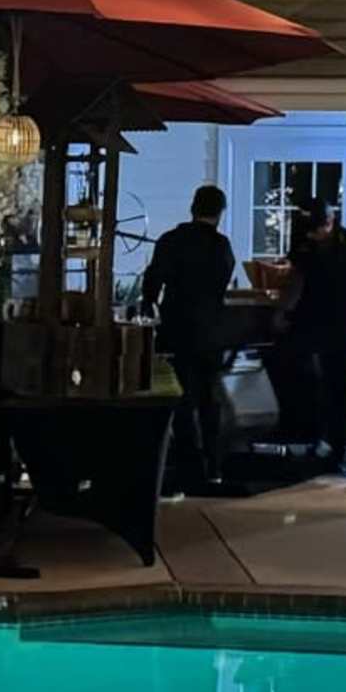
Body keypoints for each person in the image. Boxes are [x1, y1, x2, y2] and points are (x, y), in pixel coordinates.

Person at [145, 183, 243, 497]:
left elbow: (152, 282)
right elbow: (224, 279)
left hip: (176, 329)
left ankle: (189, 465)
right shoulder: (221, 246)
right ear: (220, 212)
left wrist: (151, 307)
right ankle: (213, 466)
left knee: (181, 399)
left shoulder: (171, 241)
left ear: (192, 207)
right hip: (210, 331)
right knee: (209, 400)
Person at [281, 197, 346, 465]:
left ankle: (340, 444)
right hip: (310, 318)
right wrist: (284, 310)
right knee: (312, 382)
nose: (311, 236)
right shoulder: (304, 239)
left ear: (329, 222)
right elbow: (296, 277)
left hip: (343, 320)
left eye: (316, 230)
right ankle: (316, 438)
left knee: (339, 384)